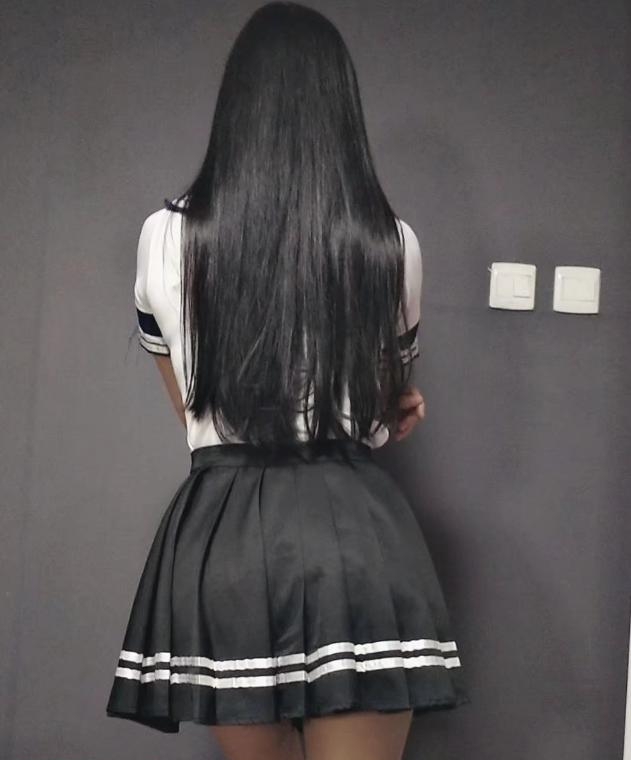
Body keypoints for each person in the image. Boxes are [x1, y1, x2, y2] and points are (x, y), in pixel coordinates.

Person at [105, 2, 470, 758]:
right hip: (352, 532)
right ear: (341, 111)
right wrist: (392, 408)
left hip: (226, 534)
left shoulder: (164, 236)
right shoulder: (388, 243)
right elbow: (374, 412)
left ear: (236, 107)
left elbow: (193, 412)